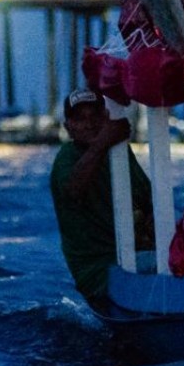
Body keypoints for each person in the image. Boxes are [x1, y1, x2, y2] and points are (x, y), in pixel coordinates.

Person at [49, 89, 154, 310]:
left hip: (137, 254)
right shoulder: (67, 158)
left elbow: (147, 198)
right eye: (80, 119)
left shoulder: (119, 152)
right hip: (98, 270)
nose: (89, 124)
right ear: (69, 127)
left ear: (105, 118)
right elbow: (72, 191)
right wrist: (103, 142)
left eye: (94, 116)